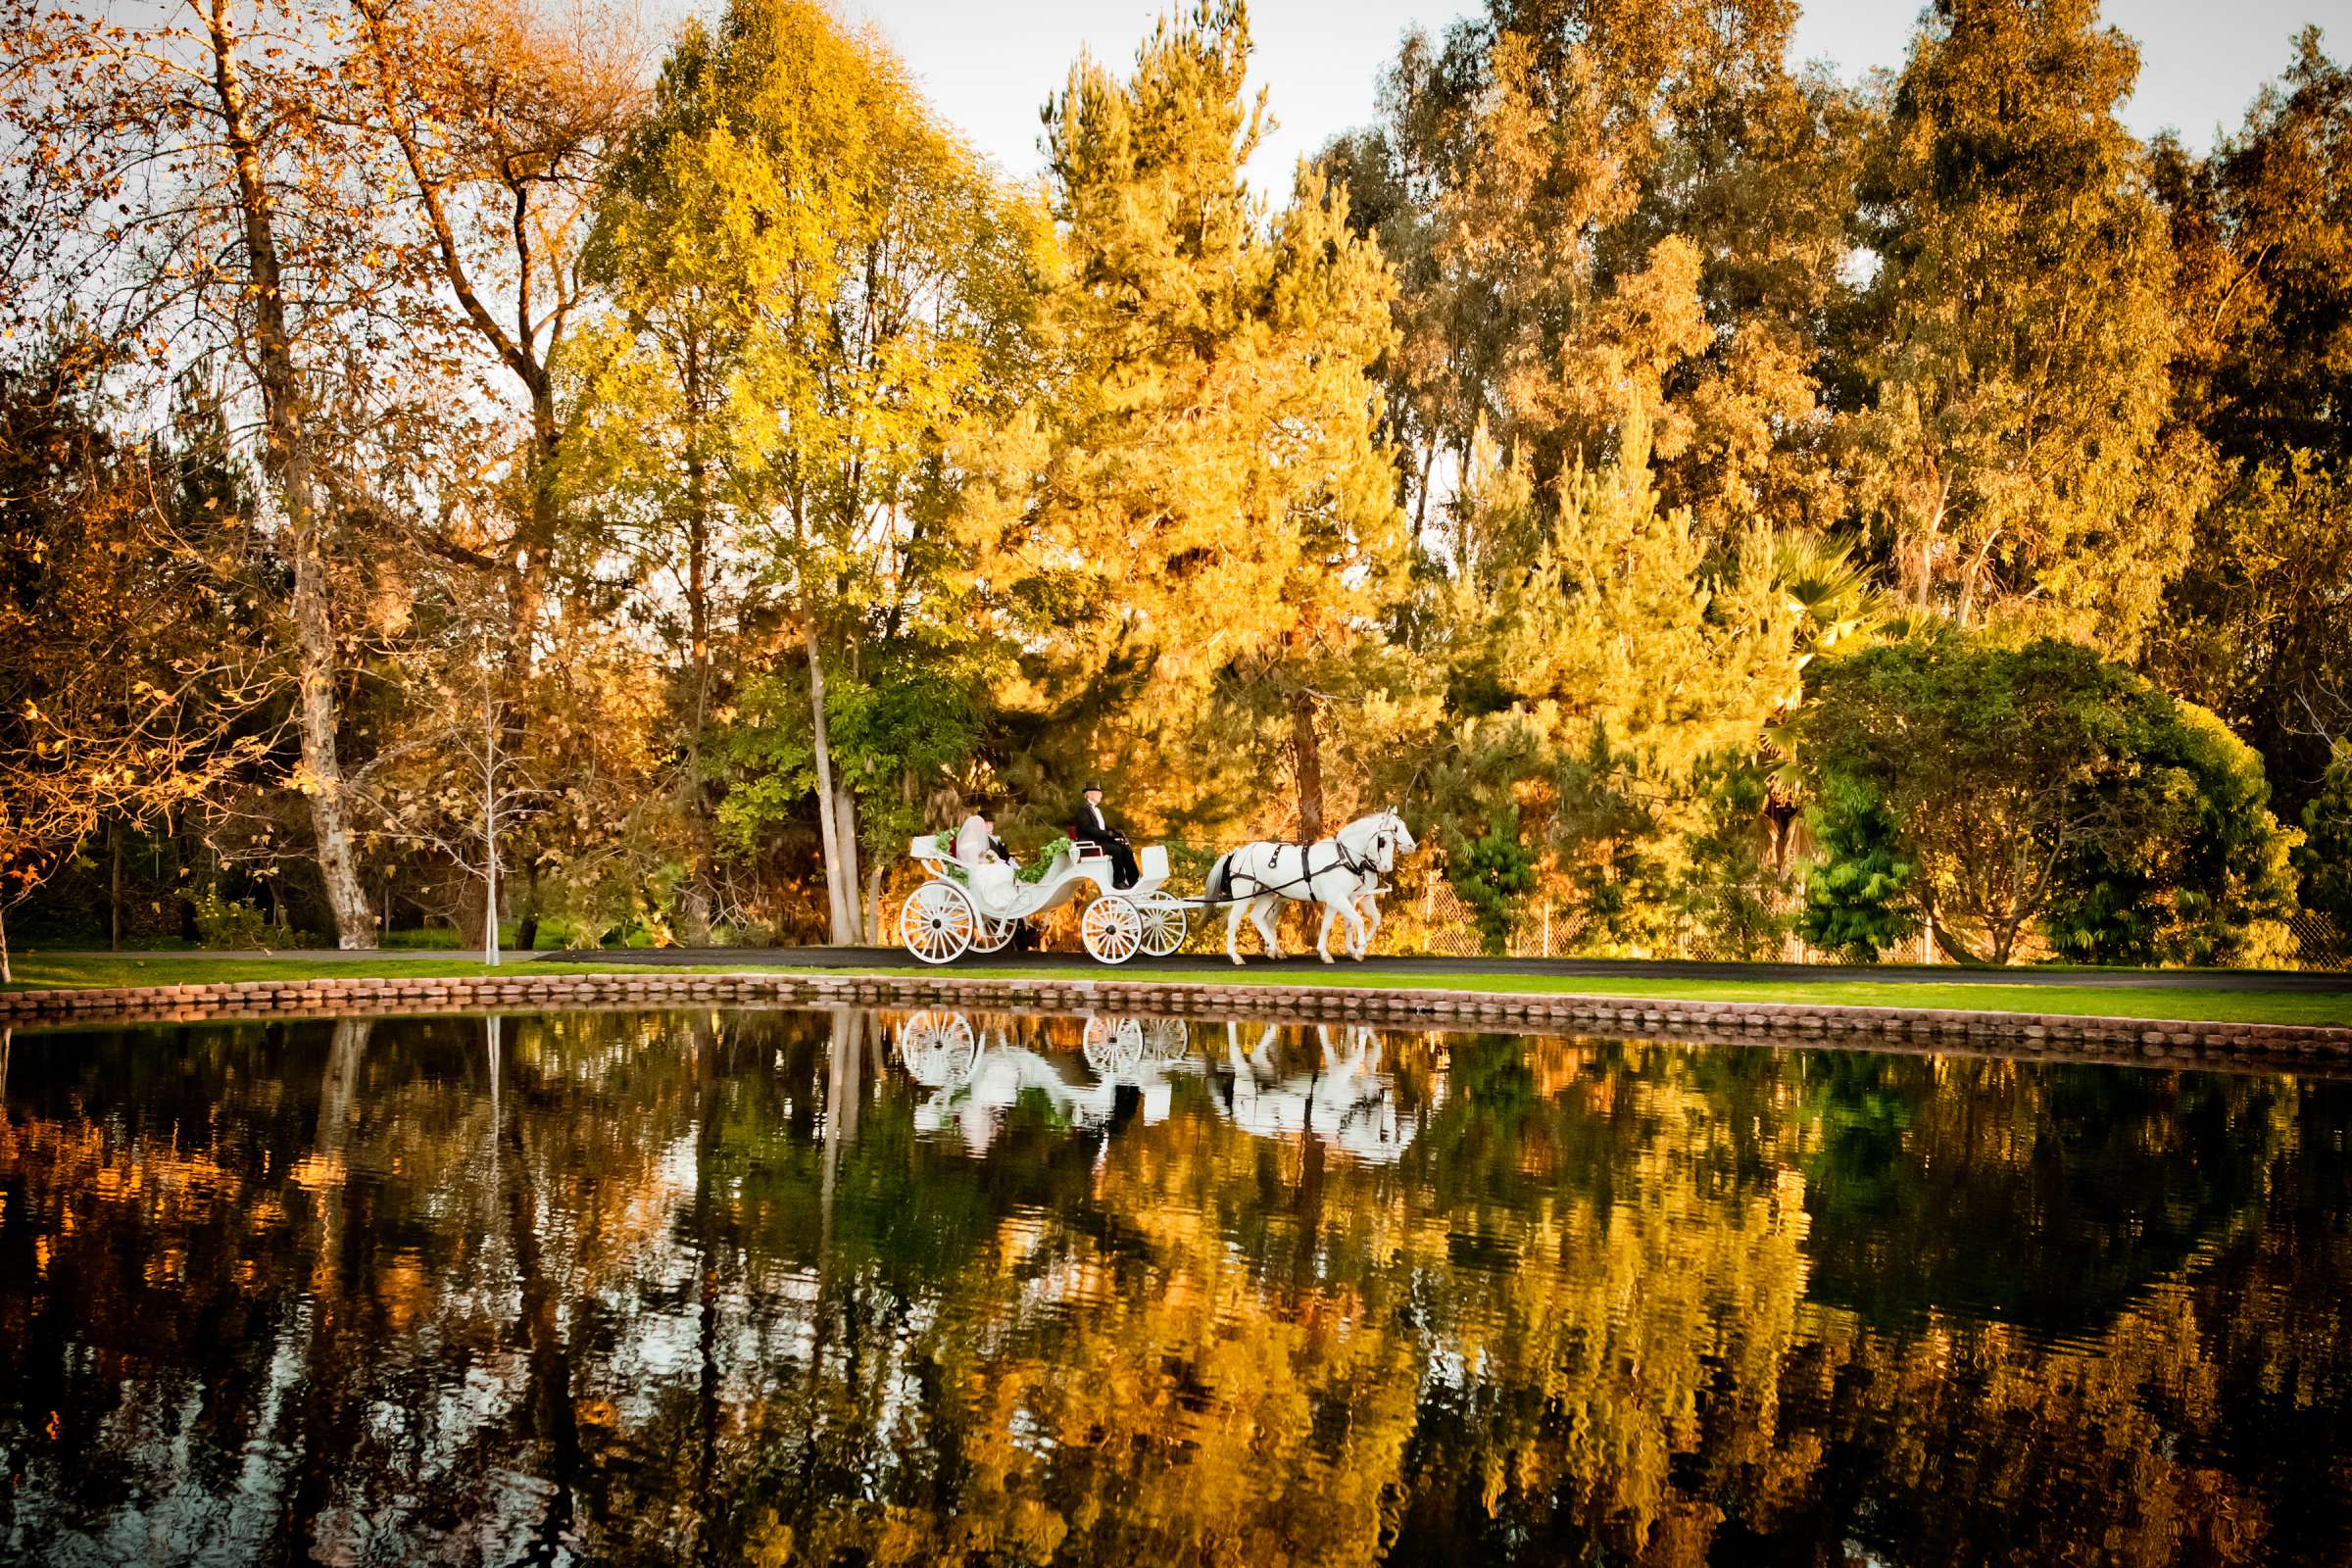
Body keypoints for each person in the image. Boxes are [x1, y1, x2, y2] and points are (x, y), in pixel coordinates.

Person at [1069, 781, 1140, 889]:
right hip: (1091, 844)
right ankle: (1118, 881)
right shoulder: (1083, 809)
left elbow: (1102, 827)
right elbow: (1087, 828)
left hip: (1101, 841)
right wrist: (1107, 834)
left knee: (1125, 848)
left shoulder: (1098, 810)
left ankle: (1134, 880)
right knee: (1116, 850)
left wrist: (1115, 832)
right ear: (1090, 794)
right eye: (1099, 793)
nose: (1101, 795)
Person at [954, 805, 1018, 911]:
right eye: (985, 823)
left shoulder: (981, 839)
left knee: (1002, 868)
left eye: (990, 823)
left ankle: (1008, 900)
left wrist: (990, 859)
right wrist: (989, 860)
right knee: (1000, 870)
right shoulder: (970, 841)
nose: (987, 825)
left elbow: (982, 854)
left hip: (979, 864)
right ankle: (1000, 902)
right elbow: (973, 860)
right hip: (973, 868)